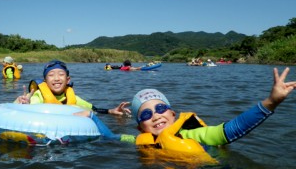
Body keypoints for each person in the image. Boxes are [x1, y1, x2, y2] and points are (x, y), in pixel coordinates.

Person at [78, 67, 296, 159]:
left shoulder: (193, 134)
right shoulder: (139, 139)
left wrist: (270, 102)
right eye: (145, 115)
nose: (155, 116)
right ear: (139, 126)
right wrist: (92, 117)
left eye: (161, 108)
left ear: (173, 114)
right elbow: (110, 137)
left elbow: (231, 130)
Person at [14, 59, 130, 115]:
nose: (56, 78)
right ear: (45, 81)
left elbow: (94, 109)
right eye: (51, 75)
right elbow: (28, 106)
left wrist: (111, 111)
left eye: (61, 74)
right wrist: (25, 103)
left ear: (68, 79)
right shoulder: (38, 96)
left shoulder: (73, 98)